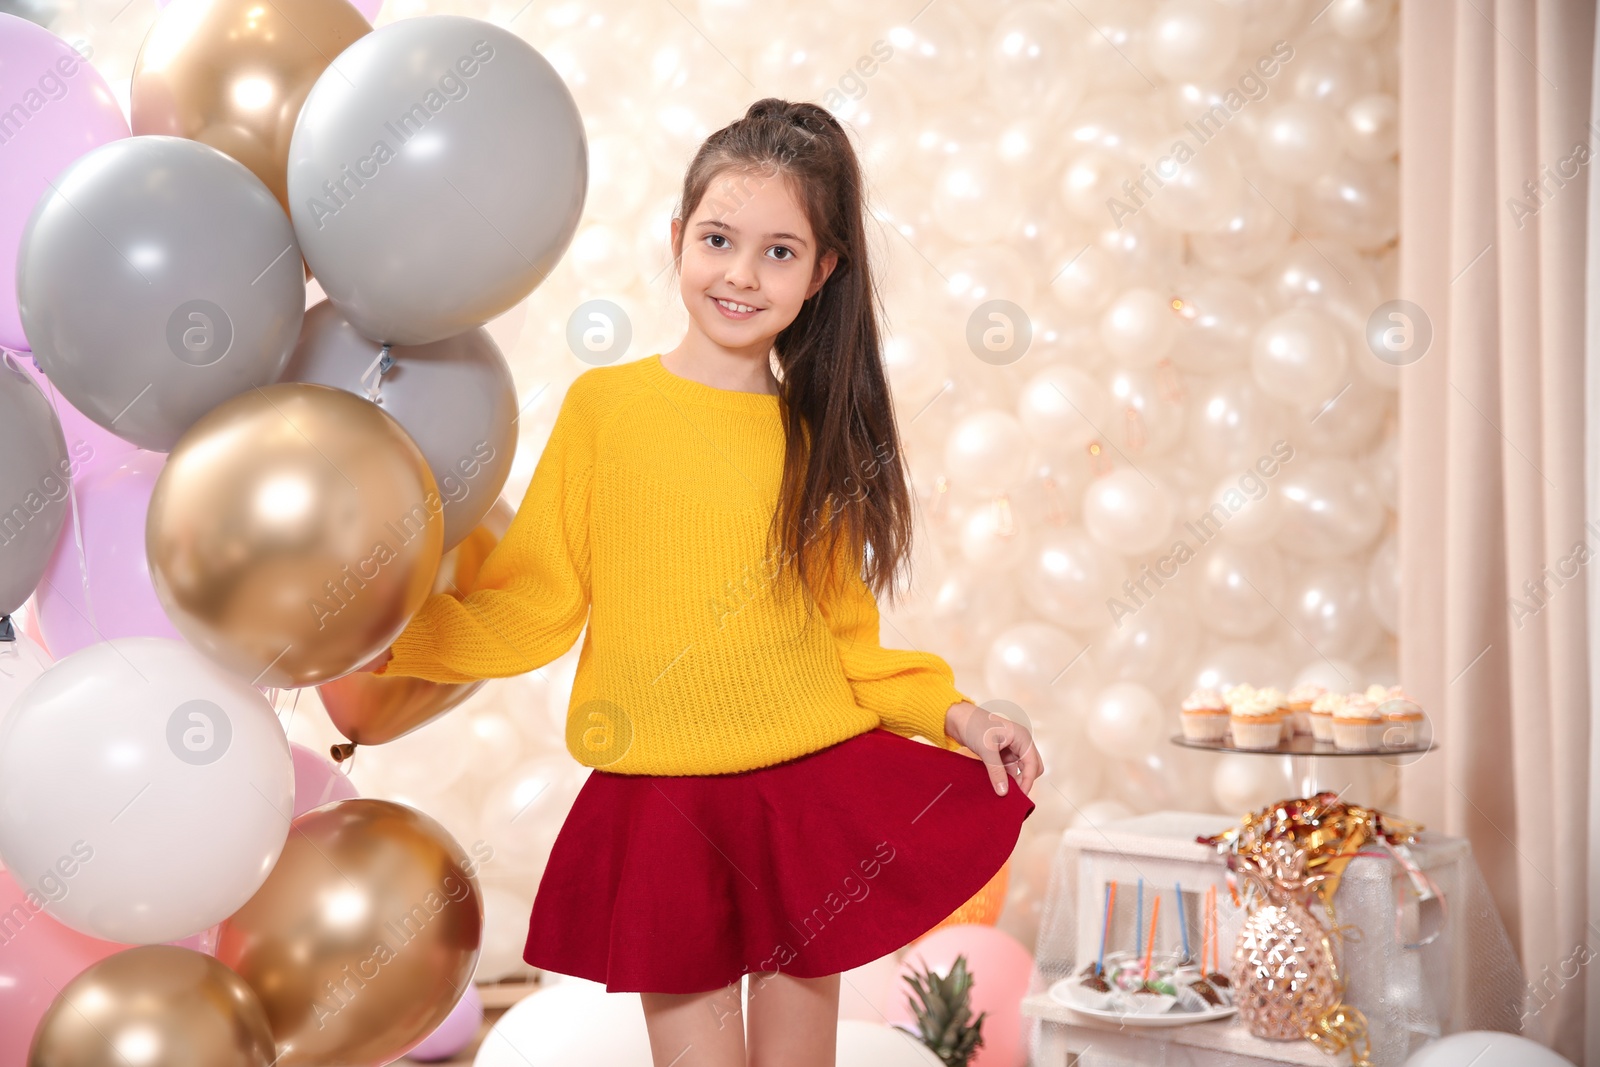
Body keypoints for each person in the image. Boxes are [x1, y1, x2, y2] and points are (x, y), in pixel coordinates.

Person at [363, 97, 1043, 1067]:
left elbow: (850, 645)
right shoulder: (609, 409)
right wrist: (400, 636)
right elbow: (539, 603)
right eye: (720, 238)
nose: (740, 272)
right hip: (667, 806)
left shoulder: (815, 439)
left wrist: (960, 716)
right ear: (679, 236)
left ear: (823, 271)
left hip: (804, 802)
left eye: (779, 251)